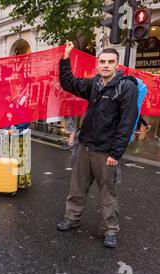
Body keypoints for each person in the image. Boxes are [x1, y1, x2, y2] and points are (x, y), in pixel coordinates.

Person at [56, 42, 139, 249]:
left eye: (111, 62)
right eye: (102, 62)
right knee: (77, 187)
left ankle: (110, 229)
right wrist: (66, 57)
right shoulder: (95, 84)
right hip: (85, 147)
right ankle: (72, 218)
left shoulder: (126, 87)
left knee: (107, 193)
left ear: (117, 65)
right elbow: (69, 83)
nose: (106, 65)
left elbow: (127, 122)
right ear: (97, 65)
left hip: (106, 152)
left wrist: (116, 153)